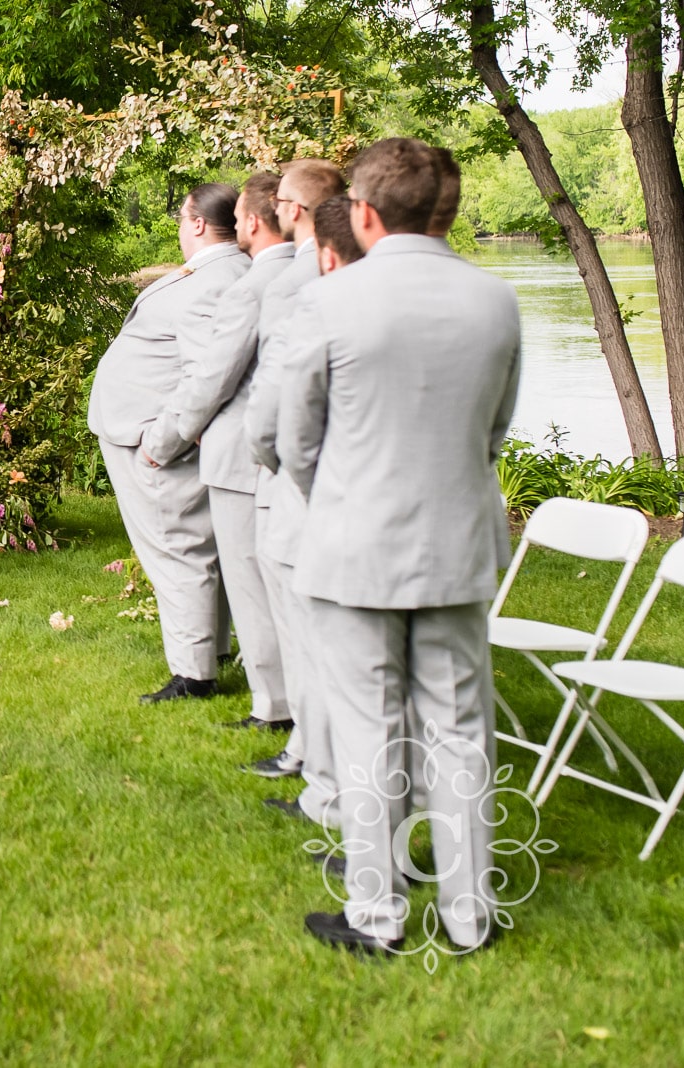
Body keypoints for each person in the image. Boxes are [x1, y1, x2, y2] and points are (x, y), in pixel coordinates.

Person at [279, 138, 521, 955]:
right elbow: (493, 433)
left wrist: (338, 504)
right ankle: (469, 915)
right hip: (457, 543)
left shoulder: (331, 300)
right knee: (460, 730)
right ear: (445, 212)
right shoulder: (497, 300)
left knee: (367, 726)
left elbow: (295, 438)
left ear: (368, 213)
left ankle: (377, 916)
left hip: (354, 544)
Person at [140, 172, 294, 731]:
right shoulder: (272, 276)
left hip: (239, 454)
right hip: (250, 452)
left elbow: (214, 376)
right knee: (254, 579)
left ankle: (275, 706)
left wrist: (167, 437)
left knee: (252, 583)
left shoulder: (248, 284)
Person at [88, 184, 249, 704]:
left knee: (177, 550)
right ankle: (211, 649)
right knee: (186, 548)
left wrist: (165, 437)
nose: (181, 228)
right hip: (140, 430)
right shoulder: (216, 273)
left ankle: (194, 673)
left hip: (152, 439)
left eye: (182, 218)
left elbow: (209, 375)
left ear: (198, 223)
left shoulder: (215, 280)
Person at [241, 158, 347, 812]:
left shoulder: (298, 284)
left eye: (281, 199)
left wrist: (286, 469)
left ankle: (314, 764)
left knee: (306, 635)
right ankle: (314, 754)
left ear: (296, 209)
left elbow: (273, 405)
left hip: (296, 484)